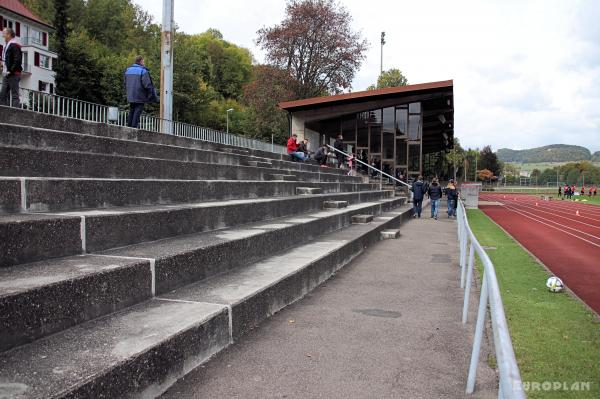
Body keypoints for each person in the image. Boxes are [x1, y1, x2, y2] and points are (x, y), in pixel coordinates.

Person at [124, 55, 159, 128]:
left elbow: (125, 82)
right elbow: (147, 85)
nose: (144, 62)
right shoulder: (143, 71)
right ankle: (133, 127)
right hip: (140, 95)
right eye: (143, 61)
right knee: (137, 110)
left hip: (130, 95)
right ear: (140, 61)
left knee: (132, 110)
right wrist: (150, 95)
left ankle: (129, 126)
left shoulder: (128, 70)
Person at [0, 28, 22, 107]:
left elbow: (17, 60)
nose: (3, 35)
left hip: (14, 73)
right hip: (6, 73)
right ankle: (3, 114)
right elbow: (6, 59)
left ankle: (15, 115)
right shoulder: (7, 45)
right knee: (2, 95)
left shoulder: (15, 45)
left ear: (9, 35)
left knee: (14, 95)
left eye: (4, 34)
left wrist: (11, 70)